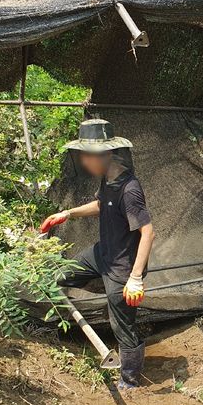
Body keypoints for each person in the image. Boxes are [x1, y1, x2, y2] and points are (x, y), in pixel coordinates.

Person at [40, 119, 156, 388]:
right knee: (61, 276)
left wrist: (135, 278)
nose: (83, 163)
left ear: (103, 155)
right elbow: (102, 204)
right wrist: (67, 214)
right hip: (101, 254)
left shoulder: (130, 189)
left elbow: (148, 233)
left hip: (122, 268)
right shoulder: (109, 179)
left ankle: (130, 379)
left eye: (85, 157)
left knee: (122, 327)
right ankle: (101, 288)